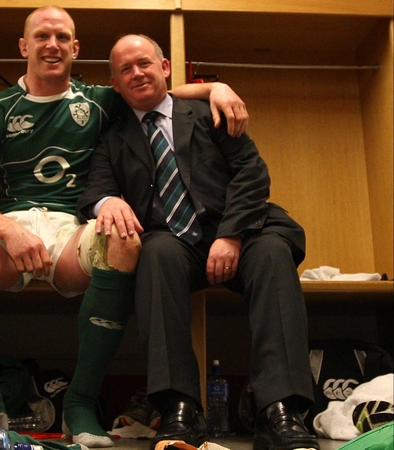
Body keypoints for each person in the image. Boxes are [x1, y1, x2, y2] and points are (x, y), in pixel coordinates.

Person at [0, 5, 248, 448]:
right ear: (24, 46)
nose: (53, 45)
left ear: (76, 47)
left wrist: (215, 88)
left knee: (125, 237)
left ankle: (80, 404)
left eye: (63, 37)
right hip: (8, 233)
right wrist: (10, 232)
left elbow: (154, 92)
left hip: (73, 232)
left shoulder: (98, 101)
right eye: (43, 36)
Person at [77, 34, 319, 450]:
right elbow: (92, 192)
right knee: (154, 254)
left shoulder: (209, 112)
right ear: (114, 84)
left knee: (275, 255)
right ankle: (178, 408)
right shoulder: (112, 138)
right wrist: (108, 200)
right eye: (125, 70)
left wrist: (230, 235)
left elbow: (252, 173)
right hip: (173, 242)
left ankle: (280, 409)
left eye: (145, 63)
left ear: (165, 68)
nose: (137, 73)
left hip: (242, 230)